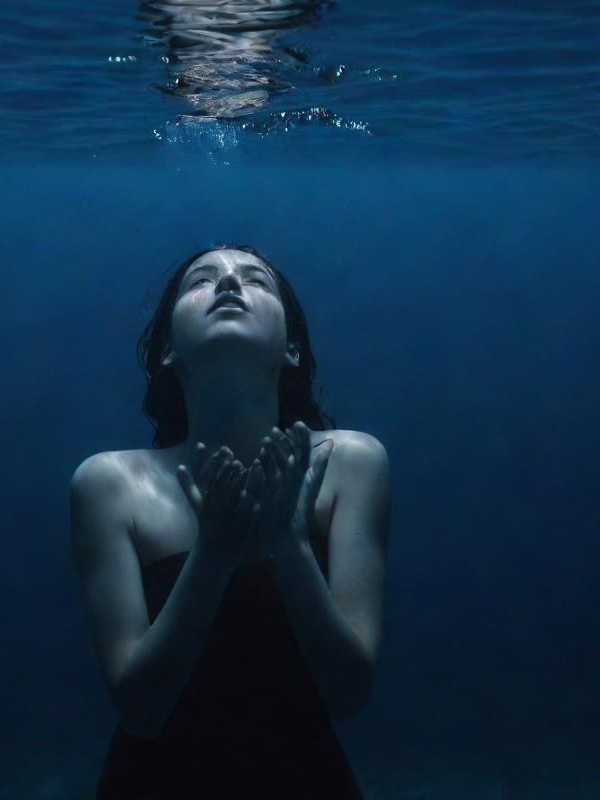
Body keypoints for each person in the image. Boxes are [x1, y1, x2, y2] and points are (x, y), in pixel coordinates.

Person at [70, 243, 390, 798]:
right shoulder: (108, 485)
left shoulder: (353, 463)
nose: (227, 285)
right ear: (168, 349)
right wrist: (214, 553)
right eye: (201, 280)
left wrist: (287, 540)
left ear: (291, 347)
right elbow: (141, 711)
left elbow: (348, 693)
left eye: (255, 281)